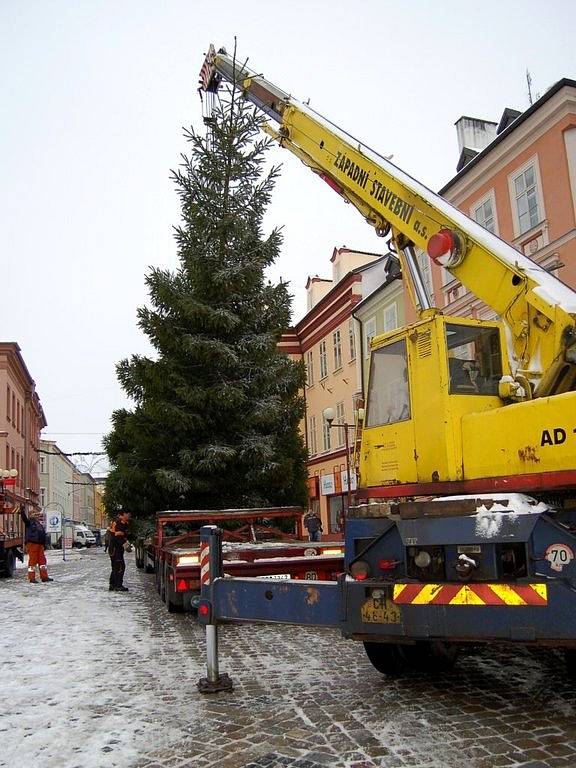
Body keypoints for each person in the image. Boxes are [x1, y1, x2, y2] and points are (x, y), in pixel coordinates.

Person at [19, 504, 53, 583]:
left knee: (42, 562)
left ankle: (44, 577)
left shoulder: (38, 523)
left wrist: (44, 544)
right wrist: (22, 511)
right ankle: (32, 578)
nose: (36, 515)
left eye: (36, 514)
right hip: (32, 544)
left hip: (40, 545)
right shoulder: (29, 523)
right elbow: (24, 518)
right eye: (34, 514)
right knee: (33, 562)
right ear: (30, 515)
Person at [108, 511, 131, 592]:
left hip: (114, 549)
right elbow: (118, 537)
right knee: (120, 567)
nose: (129, 515)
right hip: (115, 549)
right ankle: (118, 585)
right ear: (122, 515)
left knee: (115, 567)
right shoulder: (119, 523)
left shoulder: (123, 523)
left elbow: (124, 535)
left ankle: (113, 584)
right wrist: (125, 545)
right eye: (127, 513)